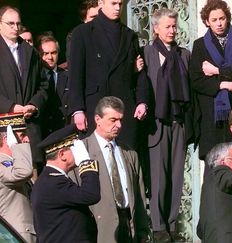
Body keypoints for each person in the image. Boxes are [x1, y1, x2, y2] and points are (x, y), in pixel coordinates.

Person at [139, 8, 191, 243]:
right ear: (156, 28)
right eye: (167, 26)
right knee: (159, 176)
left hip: (178, 121)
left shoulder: (183, 55)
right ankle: (158, 226)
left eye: (174, 26)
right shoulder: (147, 53)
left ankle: (172, 224)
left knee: (177, 176)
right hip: (157, 123)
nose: (172, 30)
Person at [69, 96, 150, 242]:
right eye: (113, 120)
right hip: (98, 229)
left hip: (128, 226)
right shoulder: (82, 150)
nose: (118, 125)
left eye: (120, 120)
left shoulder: (130, 153)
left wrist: (143, 231)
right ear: (97, 120)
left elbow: (139, 196)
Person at [69, 0, 146, 149]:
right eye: (113, 3)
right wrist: (77, 110)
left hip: (124, 107)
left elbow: (140, 75)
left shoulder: (130, 35)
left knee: (125, 158)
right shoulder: (82, 33)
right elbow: (76, 76)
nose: (118, 8)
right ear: (101, 3)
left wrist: (142, 101)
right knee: (96, 158)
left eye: (121, 4)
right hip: (95, 107)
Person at [190, 0, 232, 160]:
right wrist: (223, 84)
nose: (219, 23)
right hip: (214, 115)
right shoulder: (200, 45)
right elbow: (197, 80)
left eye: (222, 18)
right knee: (216, 164)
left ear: (228, 18)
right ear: (207, 22)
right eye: (214, 20)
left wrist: (217, 70)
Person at [31, 124, 100, 243]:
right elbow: (91, 195)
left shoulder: (51, 179)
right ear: (62, 154)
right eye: (75, 149)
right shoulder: (53, 183)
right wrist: (85, 163)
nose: (79, 153)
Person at [0, 6, 48, 174]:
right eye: (10, 23)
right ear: (0, 25)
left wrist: (34, 104)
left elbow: (43, 85)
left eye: (18, 24)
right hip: (3, 131)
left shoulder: (30, 52)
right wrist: (11, 107)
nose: (15, 28)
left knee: (33, 181)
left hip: (29, 132)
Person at [0, 113, 36, 243]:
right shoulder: (2, 163)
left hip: (25, 232)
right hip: (13, 235)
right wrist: (16, 146)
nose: (27, 139)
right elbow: (24, 172)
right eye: (21, 135)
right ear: (6, 140)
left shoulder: (17, 163)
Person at [37, 33, 69, 137]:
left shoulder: (68, 76)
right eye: (45, 53)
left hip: (64, 131)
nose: (50, 57)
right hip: (42, 132)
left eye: (53, 53)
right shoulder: (34, 78)